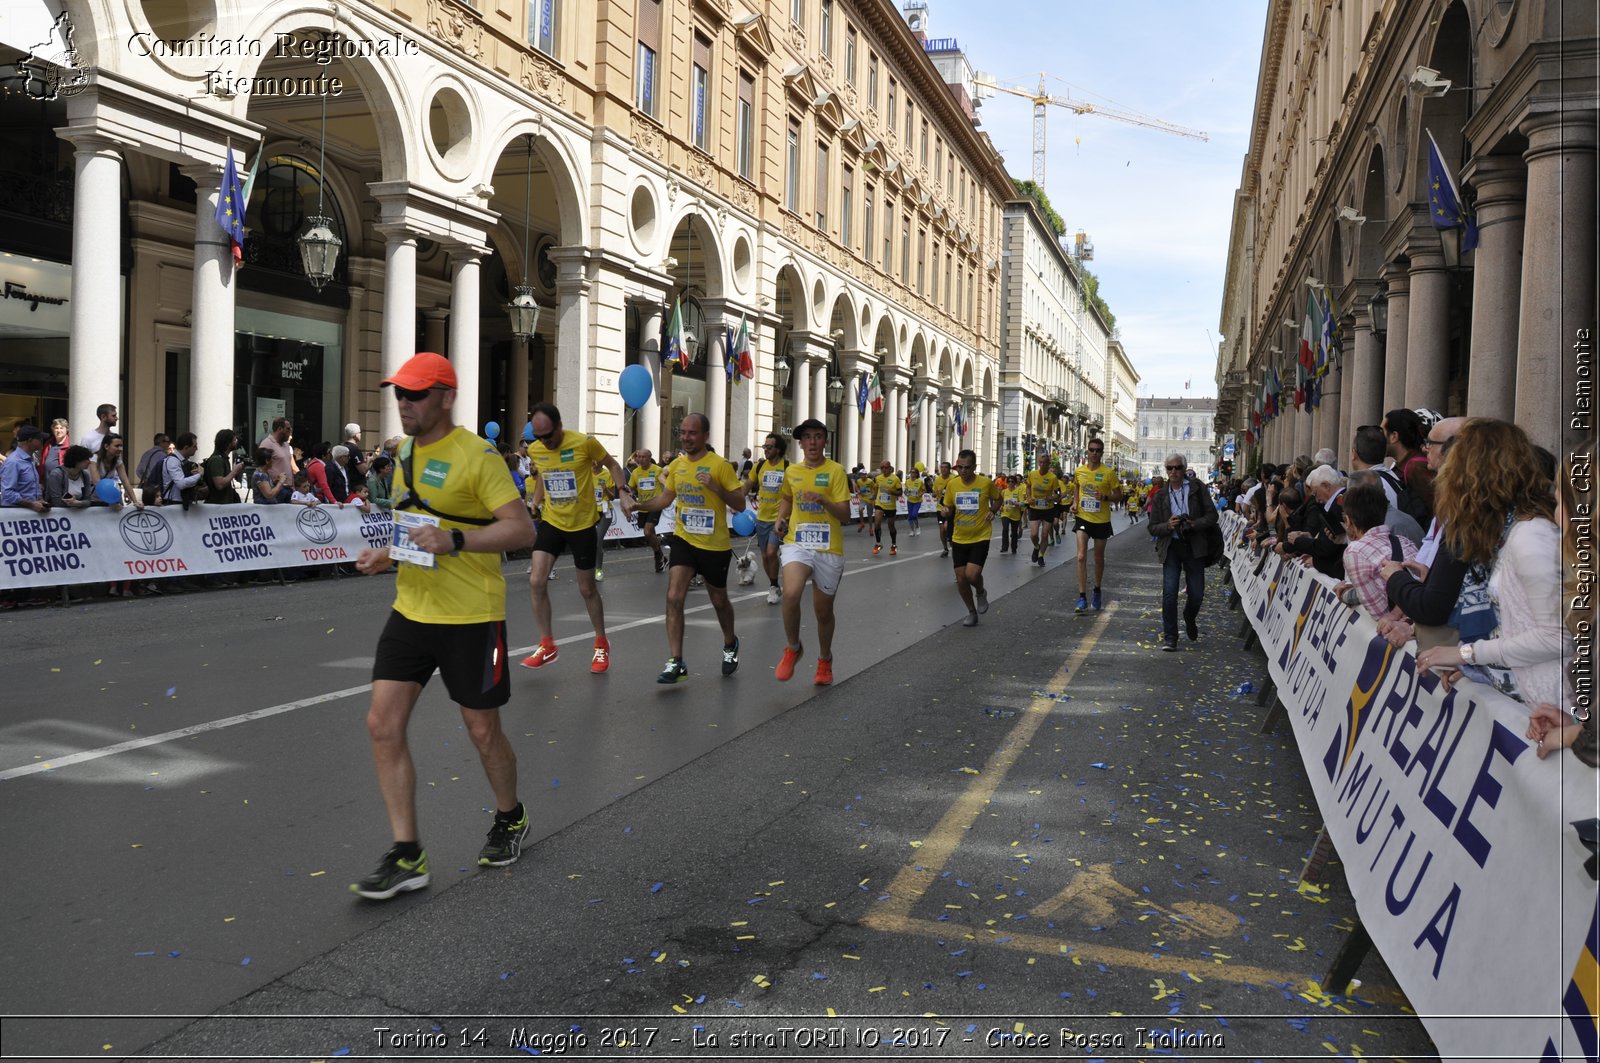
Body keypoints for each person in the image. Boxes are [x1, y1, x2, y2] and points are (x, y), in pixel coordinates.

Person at [348, 351, 537, 900]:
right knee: (382, 725)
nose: (403, 404)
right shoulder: (404, 452)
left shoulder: (477, 456)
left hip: (472, 616)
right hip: (412, 610)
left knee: (483, 731)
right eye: (399, 394)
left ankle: (511, 817)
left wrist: (458, 541)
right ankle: (408, 854)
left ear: (446, 396)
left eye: (416, 394)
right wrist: (390, 554)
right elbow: (418, 527)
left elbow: (521, 530)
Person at [1414, 419, 1567, 708]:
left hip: (1552, 703)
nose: (1442, 480)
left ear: (1473, 478)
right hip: (1534, 701)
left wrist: (1467, 655)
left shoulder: (1531, 536)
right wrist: (1479, 669)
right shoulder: (1504, 534)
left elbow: (1559, 638)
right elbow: (1516, 626)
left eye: (1452, 469)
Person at [631, 413, 746, 683]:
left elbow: (740, 504)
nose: (685, 437)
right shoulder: (678, 467)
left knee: (719, 600)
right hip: (683, 539)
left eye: (692, 433)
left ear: (705, 436)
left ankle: (730, 644)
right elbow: (664, 499)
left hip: (714, 544)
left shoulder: (720, 466)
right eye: (682, 432)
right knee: (673, 596)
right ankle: (676, 661)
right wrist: (639, 505)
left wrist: (716, 487)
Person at [521, 401, 633, 674]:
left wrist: (623, 490)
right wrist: (536, 502)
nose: (544, 443)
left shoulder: (584, 443)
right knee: (536, 580)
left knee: (587, 589)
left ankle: (601, 644)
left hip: (582, 525)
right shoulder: (536, 449)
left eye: (549, 436)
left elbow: (613, 464)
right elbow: (543, 479)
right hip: (553, 521)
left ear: (559, 426)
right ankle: (547, 644)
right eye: (538, 438)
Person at [773, 419, 853, 684]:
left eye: (818, 437)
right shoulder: (792, 472)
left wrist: (824, 500)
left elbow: (845, 515)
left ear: (825, 442)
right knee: (791, 593)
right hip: (798, 542)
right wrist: (781, 519)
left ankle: (824, 658)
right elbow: (787, 497)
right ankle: (793, 648)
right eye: (807, 437)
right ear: (801, 443)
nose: (812, 442)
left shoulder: (836, 471)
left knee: (823, 612)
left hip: (828, 548)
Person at [1148, 453, 1218, 651]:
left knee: (1196, 593)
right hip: (1171, 547)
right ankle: (1170, 637)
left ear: (1184, 469)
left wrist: (1195, 524)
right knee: (1169, 594)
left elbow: (1212, 515)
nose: (1173, 472)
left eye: (1177, 468)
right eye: (1169, 468)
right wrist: (1167, 526)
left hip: (1194, 546)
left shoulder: (1197, 488)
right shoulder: (1161, 494)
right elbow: (1153, 527)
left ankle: (1189, 616)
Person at [1334, 479, 1417, 620]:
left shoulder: (1355, 552)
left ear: (1347, 521)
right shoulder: (1403, 541)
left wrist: (1346, 595)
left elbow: (1379, 613)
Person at [939, 449, 1002, 627]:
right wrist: (945, 511)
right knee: (961, 579)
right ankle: (971, 612)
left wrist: (992, 511)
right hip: (959, 537)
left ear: (973, 467)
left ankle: (980, 591)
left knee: (972, 575)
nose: (963, 471)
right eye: (959, 467)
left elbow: (998, 499)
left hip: (980, 535)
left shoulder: (985, 483)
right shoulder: (953, 485)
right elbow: (948, 508)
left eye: (966, 467)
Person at [1068, 439, 1124, 610]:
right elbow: (1077, 487)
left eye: (1098, 450)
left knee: (1098, 559)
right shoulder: (1079, 471)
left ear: (1102, 452)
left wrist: (1106, 498)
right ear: (1087, 451)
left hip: (1101, 520)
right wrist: (1075, 502)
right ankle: (1082, 597)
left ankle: (1097, 590)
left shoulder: (1108, 473)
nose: (1094, 453)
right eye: (1092, 450)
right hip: (1083, 518)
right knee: (1081, 556)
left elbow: (1119, 495)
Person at [744, 434, 788, 602]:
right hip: (761, 518)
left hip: (780, 519)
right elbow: (748, 485)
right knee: (764, 556)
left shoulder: (787, 467)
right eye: (765, 446)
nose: (766, 450)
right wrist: (737, 499)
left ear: (778, 449)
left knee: (771, 553)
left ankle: (774, 585)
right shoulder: (760, 466)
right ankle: (774, 585)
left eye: (770, 447)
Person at [629, 448, 668, 572]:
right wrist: (629, 494)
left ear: (649, 457)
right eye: (638, 457)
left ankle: (658, 556)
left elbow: (666, 483)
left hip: (656, 504)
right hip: (643, 506)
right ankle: (661, 555)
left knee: (647, 531)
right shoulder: (635, 472)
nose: (641, 459)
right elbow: (632, 488)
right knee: (650, 533)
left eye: (644, 457)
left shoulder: (657, 470)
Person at [1023, 451, 1061, 567]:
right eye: (1042, 462)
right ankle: (1036, 546)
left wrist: (1053, 497)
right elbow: (1028, 487)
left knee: (1044, 535)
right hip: (1035, 508)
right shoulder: (1032, 474)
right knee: (1034, 534)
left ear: (1049, 464)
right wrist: (1029, 497)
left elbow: (1058, 493)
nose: (1044, 465)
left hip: (1048, 509)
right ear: (1039, 463)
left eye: (1046, 463)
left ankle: (1041, 556)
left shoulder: (1053, 478)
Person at [91, 433, 141, 508]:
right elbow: (97, 483)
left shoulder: (118, 460)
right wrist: (112, 503)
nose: (120, 449)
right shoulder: (94, 459)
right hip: (95, 500)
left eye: (121, 446)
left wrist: (136, 502)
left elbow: (125, 481)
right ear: (106, 446)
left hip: (112, 498)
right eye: (117, 446)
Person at [160, 433, 206, 508]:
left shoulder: (185, 461)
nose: (196, 449)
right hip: (173, 504)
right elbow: (181, 484)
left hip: (182, 503)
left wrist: (192, 474)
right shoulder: (172, 461)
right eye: (194, 446)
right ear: (186, 447)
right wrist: (199, 475)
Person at [203, 430, 245, 505]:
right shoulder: (217, 460)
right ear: (228, 443)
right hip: (217, 506)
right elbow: (219, 484)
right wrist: (234, 471)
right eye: (234, 440)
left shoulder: (223, 459)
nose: (236, 441)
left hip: (224, 506)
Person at [870, 459, 901, 556]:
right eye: (882, 468)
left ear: (890, 468)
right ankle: (878, 543)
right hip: (880, 504)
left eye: (886, 467)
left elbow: (900, 492)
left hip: (890, 506)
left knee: (891, 526)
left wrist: (892, 492)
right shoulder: (878, 478)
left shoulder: (895, 479)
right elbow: (876, 488)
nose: (884, 469)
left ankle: (894, 544)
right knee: (877, 523)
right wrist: (874, 497)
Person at [999, 474, 1025, 554]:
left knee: (1014, 532)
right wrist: (1000, 507)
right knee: (1005, 529)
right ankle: (1004, 547)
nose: (1010, 483)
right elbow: (1000, 502)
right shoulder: (1004, 491)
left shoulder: (1018, 491)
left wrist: (1017, 503)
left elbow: (1022, 502)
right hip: (1005, 513)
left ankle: (1014, 547)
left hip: (1015, 515)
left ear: (1015, 483)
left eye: (1012, 481)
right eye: (1009, 481)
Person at [903, 462, 927, 537]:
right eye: (911, 472)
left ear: (916, 474)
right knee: (910, 516)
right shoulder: (907, 481)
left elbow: (924, 490)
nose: (912, 474)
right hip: (910, 500)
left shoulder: (919, 482)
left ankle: (917, 527)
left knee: (914, 515)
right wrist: (906, 493)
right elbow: (906, 490)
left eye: (913, 472)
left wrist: (920, 494)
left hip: (917, 501)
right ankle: (912, 530)